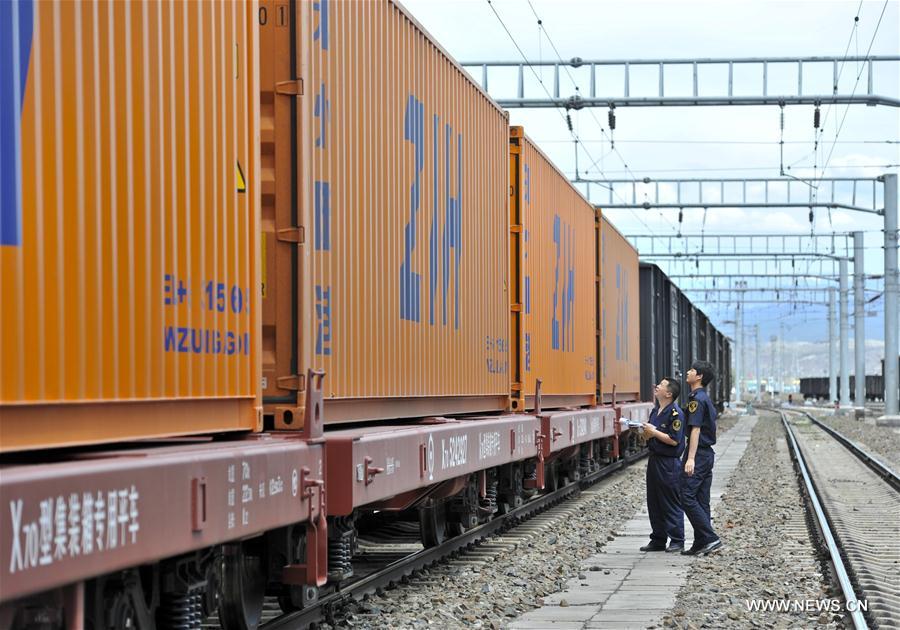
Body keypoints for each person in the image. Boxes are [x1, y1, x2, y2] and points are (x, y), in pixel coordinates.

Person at [639, 377, 686, 553]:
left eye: (661, 385)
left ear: (669, 393)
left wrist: (654, 432)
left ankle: (677, 540)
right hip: (655, 459)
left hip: (669, 463)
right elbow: (653, 435)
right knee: (654, 501)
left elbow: (674, 440)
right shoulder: (655, 411)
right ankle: (658, 539)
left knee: (670, 501)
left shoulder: (675, 414)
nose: (656, 386)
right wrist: (644, 433)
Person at [681, 360, 722, 556]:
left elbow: (695, 430)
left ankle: (710, 537)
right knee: (701, 499)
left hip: (699, 454)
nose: (687, 372)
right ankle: (700, 542)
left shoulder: (697, 399)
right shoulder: (702, 397)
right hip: (707, 454)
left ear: (698, 377)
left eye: (691, 370)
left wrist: (691, 458)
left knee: (686, 496)